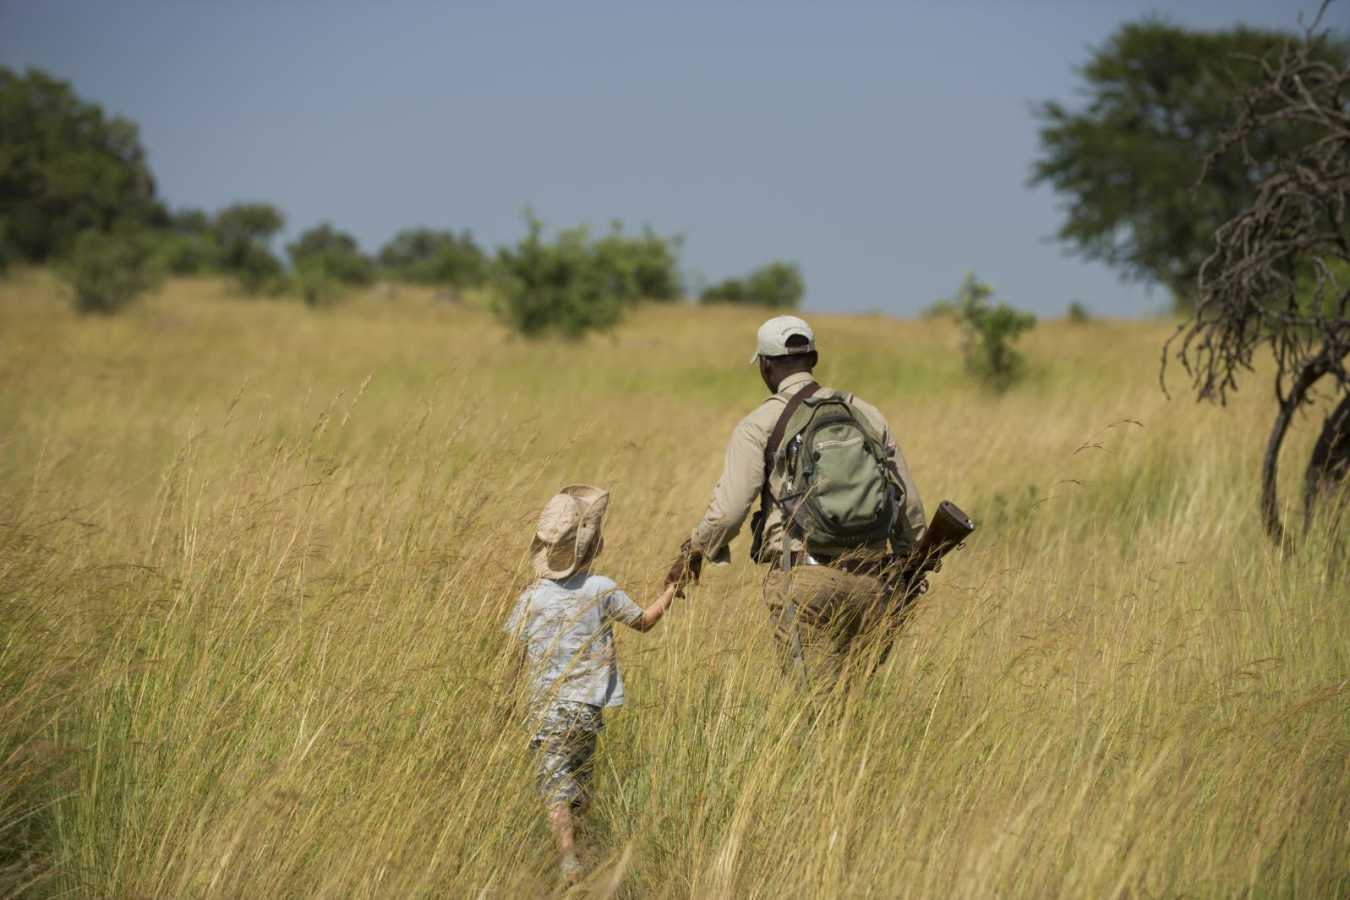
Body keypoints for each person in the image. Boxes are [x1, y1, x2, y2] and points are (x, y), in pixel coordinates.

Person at [666, 315, 926, 680]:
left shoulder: (760, 423)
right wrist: (904, 572)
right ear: (814, 359)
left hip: (805, 582)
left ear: (766, 366)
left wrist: (694, 551)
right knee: (855, 710)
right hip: (874, 583)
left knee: (813, 712)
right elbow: (910, 508)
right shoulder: (867, 414)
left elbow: (728, 512)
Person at [505, 484, 676, 884]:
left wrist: (511, 698)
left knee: (554, 782)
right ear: (592, 547)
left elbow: (514, 654)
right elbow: (644, 622)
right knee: (581, 781)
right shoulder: (602, 589)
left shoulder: (531, 597)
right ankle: (580, 853)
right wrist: (671, 590)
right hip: (587, 708)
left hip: (542, 706)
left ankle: (567, 858)